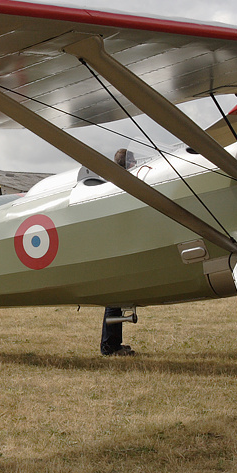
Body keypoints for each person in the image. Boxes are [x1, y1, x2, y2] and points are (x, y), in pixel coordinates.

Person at [101, 148, 138, 356]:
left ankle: (113, 343)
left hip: (117, 242)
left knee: (117, 296)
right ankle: (109, 346)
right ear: (128, 163)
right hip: (115, 244)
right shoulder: (119, 184)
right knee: (114, 297)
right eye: (133, 161)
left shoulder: (114, 182)